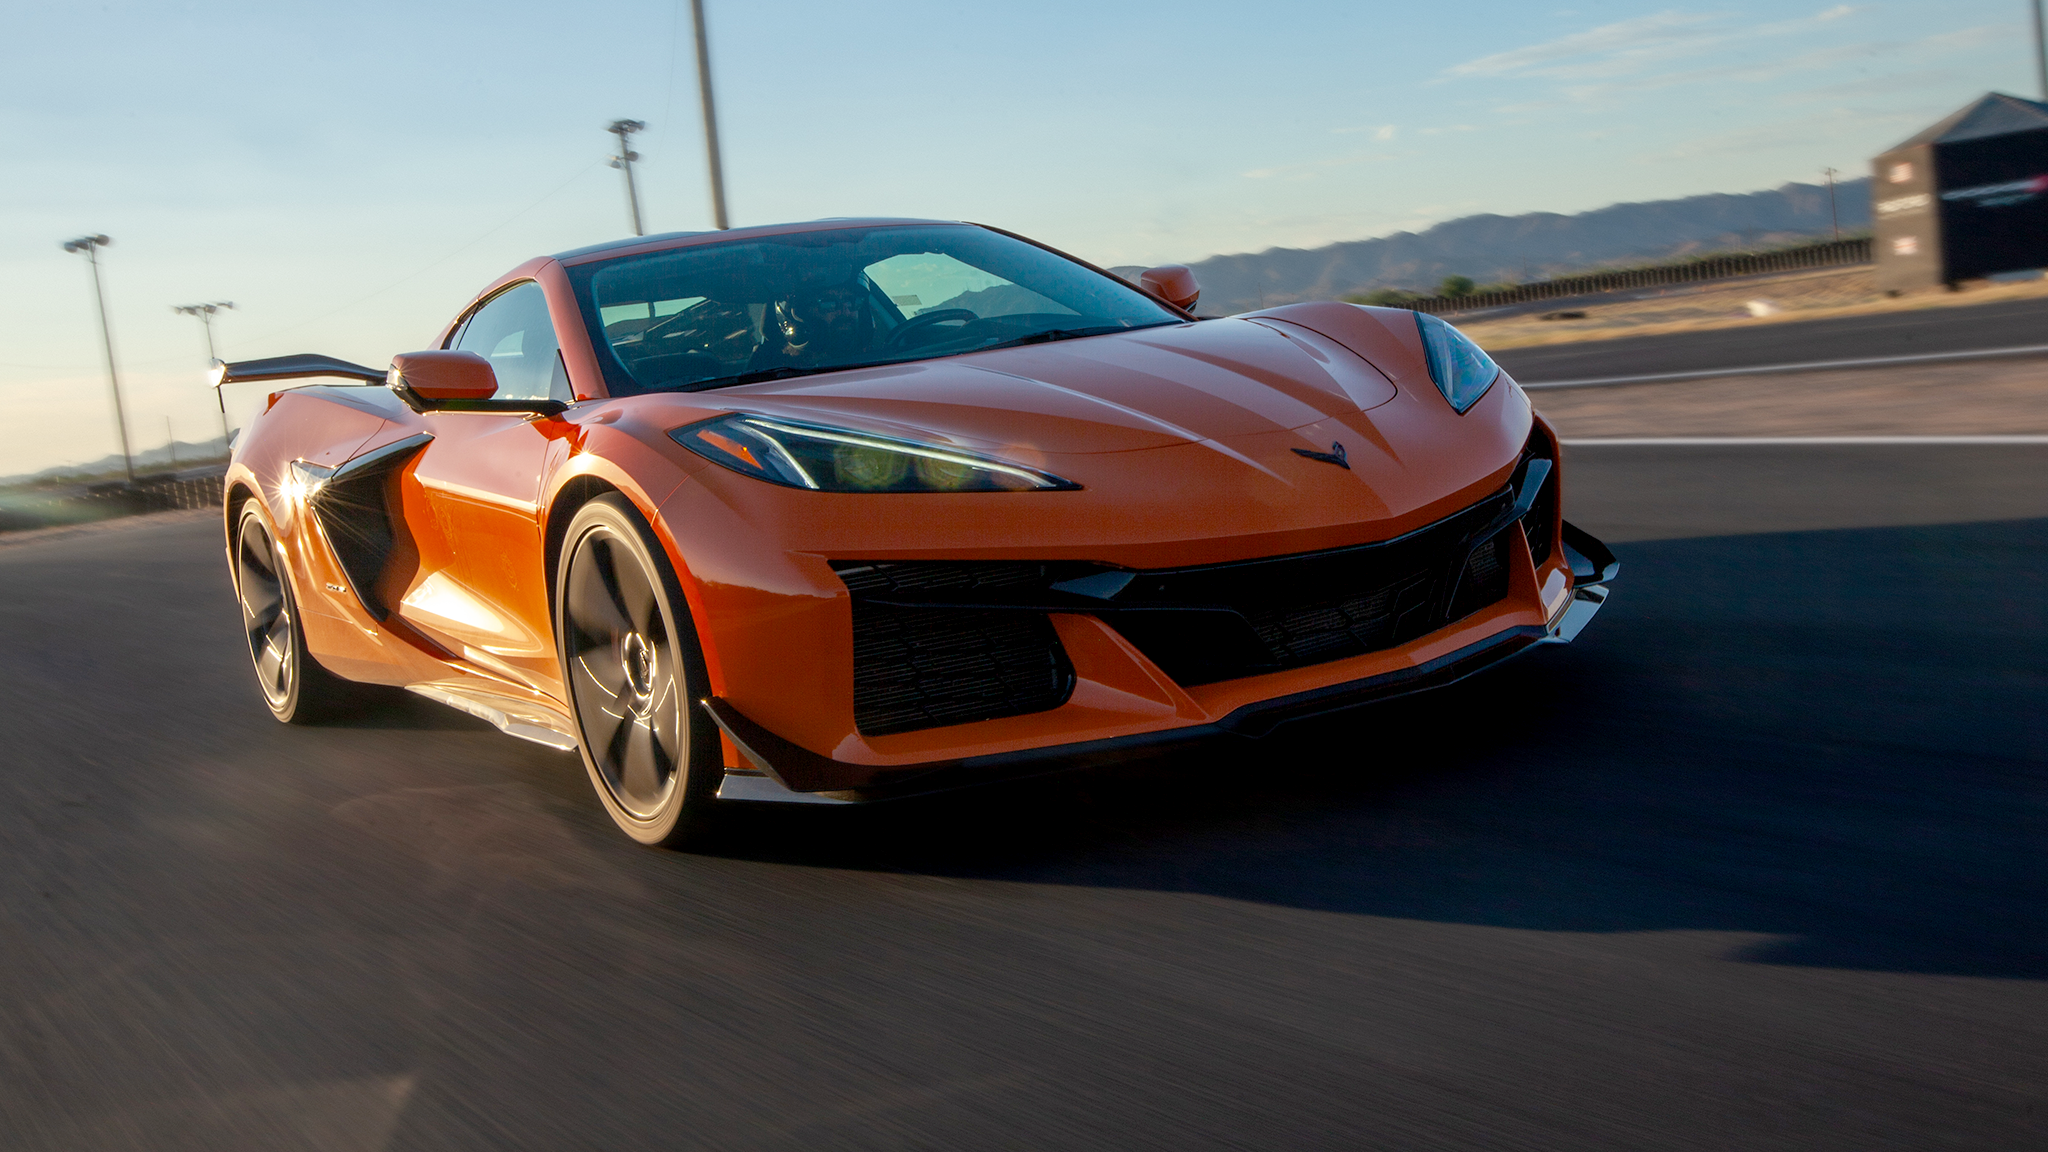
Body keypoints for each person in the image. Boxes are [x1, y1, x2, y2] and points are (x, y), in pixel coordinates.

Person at [751, 274, 875, 372]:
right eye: (828, 304)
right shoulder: (774, 370)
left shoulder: (876, 359)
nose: (845, 311)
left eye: (851, 302)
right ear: (801, 314)